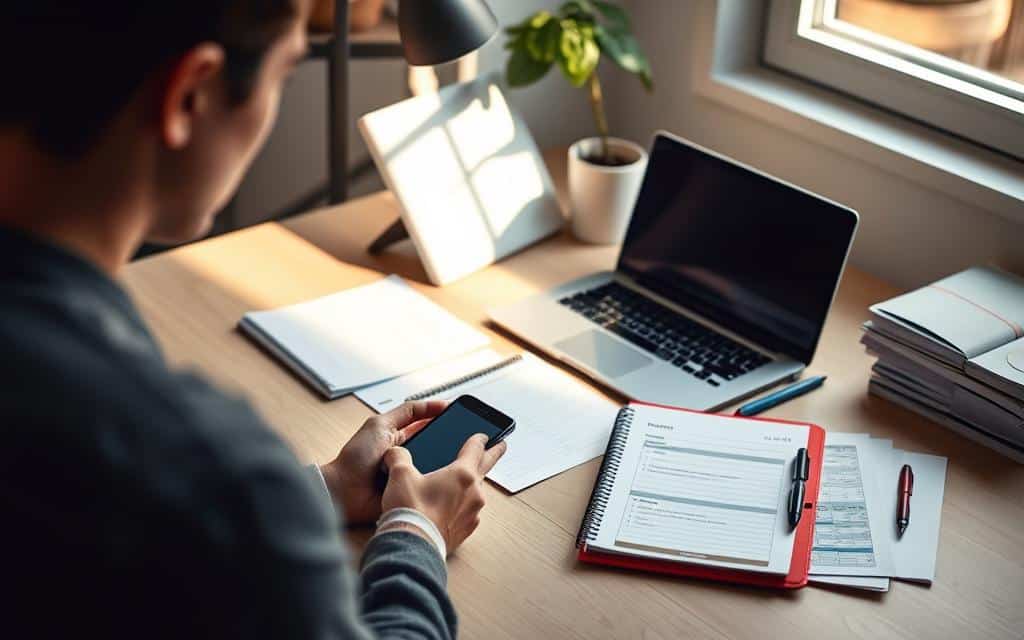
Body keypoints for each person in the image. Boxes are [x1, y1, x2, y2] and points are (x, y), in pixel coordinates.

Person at [0, 1, 506, 637]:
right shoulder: (202, 463)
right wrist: (418, 532)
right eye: (285, 75)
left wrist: (324, 490)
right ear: (189, 94)